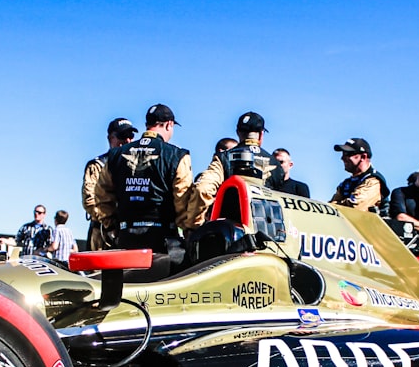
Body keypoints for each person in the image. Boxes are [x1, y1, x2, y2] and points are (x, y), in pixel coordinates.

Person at [93, 103, 192, 263]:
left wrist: (112, 226)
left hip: (126, 238)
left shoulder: (116, 155)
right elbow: (183, 199)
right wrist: (188, 229)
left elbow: (101, 195)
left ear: (147, 125)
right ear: (169, 125)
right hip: (163, 240)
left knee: (127, 285)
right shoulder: (176, 155)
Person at [185, 111, 286, 230]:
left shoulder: (224, 158)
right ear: (261, 134)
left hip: (230, 234)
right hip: (268, 232)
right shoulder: (276, 165)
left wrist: (193, 227)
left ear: (238, 133)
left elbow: (203, 189)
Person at [82, 117, 138, 250]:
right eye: (122, 136)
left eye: (131, 136)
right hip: (104, 233)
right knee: (99, 270)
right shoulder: (98, 165)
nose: (128, 140)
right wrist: (110, 224)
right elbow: (89, 200)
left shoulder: (138, 165)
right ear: (110, 138)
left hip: (131, 230)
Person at [330, 138, 389, 217]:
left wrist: (336, 205)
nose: (342, 158)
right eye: (342, 154)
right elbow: (330, 208)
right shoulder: (345, 184)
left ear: (363, 157)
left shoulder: (373, 180)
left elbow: (356, 208)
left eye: (347, 154)